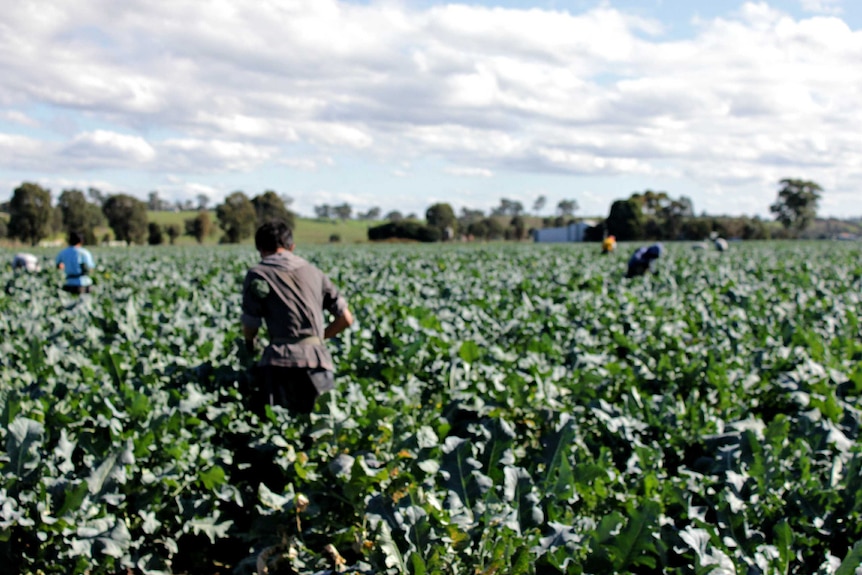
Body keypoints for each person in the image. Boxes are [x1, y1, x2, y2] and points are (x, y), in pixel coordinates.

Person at [241, 220, 354, 415]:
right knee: (321, 431)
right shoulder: (315, 272)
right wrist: (317, 340)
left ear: (260, 248)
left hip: (278, 362)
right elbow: (346, 318)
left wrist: (249, 345)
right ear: (292, 247)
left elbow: (251, 324)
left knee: (279, 431)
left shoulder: (258, 273)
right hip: (317, 362)